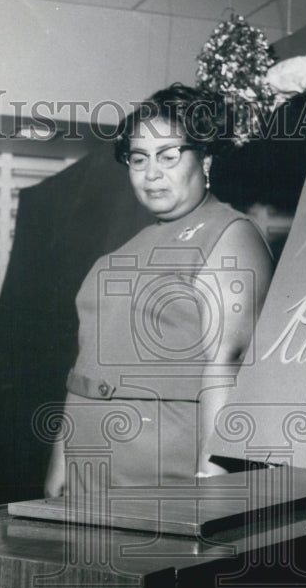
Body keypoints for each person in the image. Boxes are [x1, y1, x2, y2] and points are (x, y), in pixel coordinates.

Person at [44, 84, 274, 497]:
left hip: (163, 470)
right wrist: (59, 462)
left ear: (205, 159)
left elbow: (229, 364)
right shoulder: (133, 244)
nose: (151, 173)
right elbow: (86, 366)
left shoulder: (230, 234)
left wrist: (214, 479)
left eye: (168, 156)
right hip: (88, 462)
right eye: (138, 159)